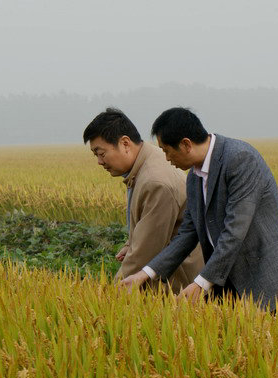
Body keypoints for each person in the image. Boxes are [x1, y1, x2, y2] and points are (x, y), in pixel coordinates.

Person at [120, 107, 278, 309]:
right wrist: (145, 274)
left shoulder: (240, 159)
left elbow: (235, 231)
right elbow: (187, 234)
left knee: (272, 329)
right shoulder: (194, 177)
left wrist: (201, 283)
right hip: (225, 279)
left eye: (167, 151)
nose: (166, 158)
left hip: (264, 277)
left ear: (186, 144)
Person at [83, 108, 203, 293]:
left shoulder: (155, 182)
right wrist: (130, 243)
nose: (99, 161)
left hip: (179, 286)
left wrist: (111, 295)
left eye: (101, 153)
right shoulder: (145, 164)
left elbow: (144, 254)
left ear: (125, 143)